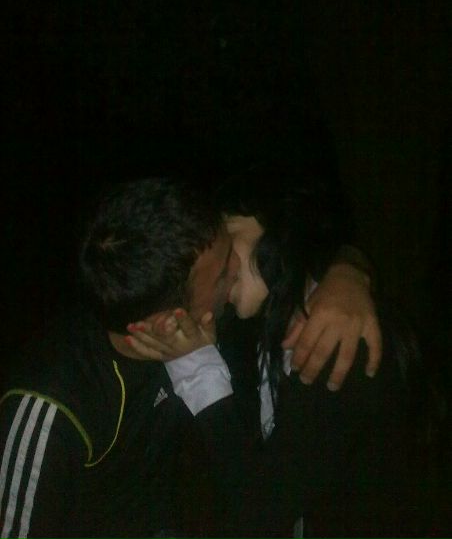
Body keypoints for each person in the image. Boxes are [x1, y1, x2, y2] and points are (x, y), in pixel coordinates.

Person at [0, 176, 380, 538]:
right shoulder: (52, 406)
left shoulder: (205, 328)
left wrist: (348, 272)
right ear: (168, 322)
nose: (235, 272)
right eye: (223, 273)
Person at [128, 169, 426, 538]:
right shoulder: (265, 324)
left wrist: (194, 365)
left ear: (282, 231)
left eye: (230, 241)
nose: (224, 268)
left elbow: (259, 514)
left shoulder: (341, 342)